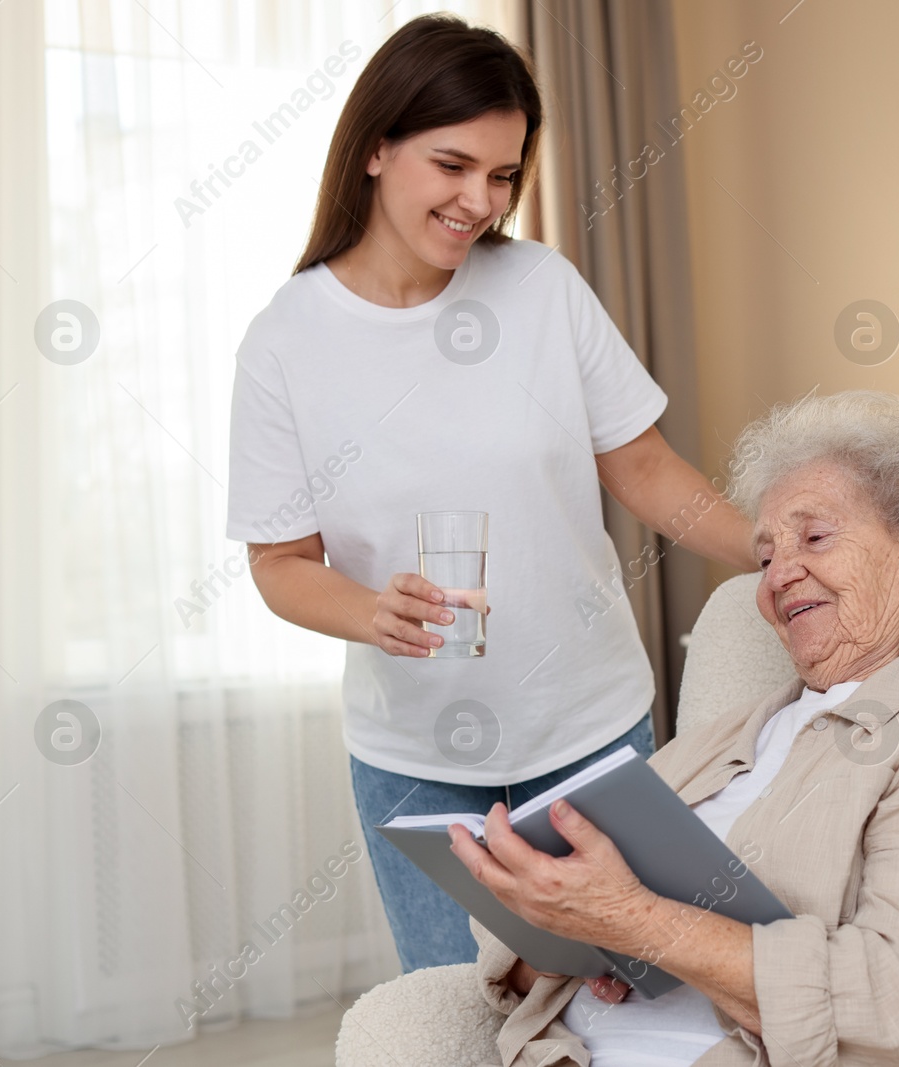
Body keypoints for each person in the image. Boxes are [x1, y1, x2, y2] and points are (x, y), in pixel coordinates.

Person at [224, 13, 754, 973]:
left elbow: (641, 466)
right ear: (377, 148)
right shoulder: (285, 342)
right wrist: (371, 609)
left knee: (626, 1000)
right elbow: (280, 564)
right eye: (454, 165)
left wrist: (770, 549)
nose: (480, 200)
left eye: (504, 175)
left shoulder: (541, 288)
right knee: (457, 1018)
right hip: (416, 767)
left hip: (590, 734)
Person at [450, 390, 899, 1066]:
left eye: (816, 537)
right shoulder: (732, 733)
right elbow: (509, 960)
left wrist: (637, 921)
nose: (779, 576)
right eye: (766, 555)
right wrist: (577, 934)